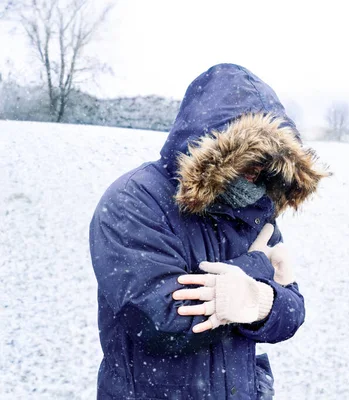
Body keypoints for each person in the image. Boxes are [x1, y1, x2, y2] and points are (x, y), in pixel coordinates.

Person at [89, 63, 329, 399]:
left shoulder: (258, 208)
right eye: (250, 157)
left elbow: (293, 312)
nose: (258, 172)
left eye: (268, 161)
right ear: (215, 149)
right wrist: (256, 267)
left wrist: (259, 302)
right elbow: (162, 322)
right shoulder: (135, 200)